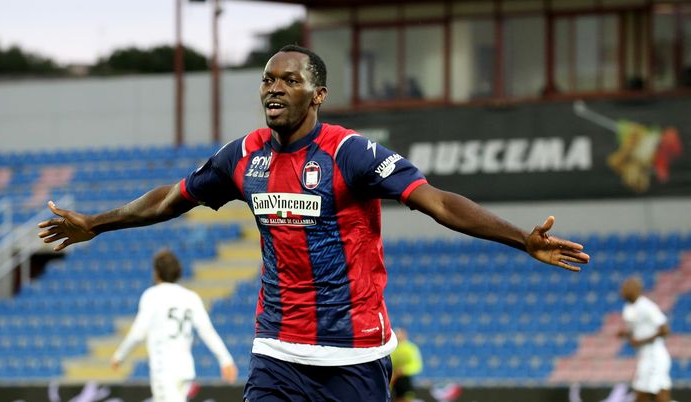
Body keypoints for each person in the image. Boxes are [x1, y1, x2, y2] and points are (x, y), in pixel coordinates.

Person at [38, 44, 590, 402]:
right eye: (267, 79)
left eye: (289, 80)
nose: (273, 88)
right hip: (276, 350)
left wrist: (521, 239)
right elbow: (169, 200)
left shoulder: (350, 153)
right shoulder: (242, 156)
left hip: (353, 357)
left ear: (317, 94)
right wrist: (97, 223)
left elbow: (437, 202)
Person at [111, 249, 238, 402]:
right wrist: (225, 360)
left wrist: (119, 355)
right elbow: (206, 331)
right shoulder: (191, 297)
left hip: (164, 369)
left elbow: (138, 333)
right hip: (185, 369)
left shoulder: (152, 295)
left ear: (156, 272)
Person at [617, 277, 672, 402]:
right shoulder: (628, 308)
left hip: (654, 355)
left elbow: (664, 330)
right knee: (644, 392)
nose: (622, 290)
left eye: (625, 287)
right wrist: (626, 334)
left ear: (635, 289)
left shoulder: (647, 306)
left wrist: (640, 341)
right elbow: (638, 331)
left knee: (654, 393)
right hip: (644, 356)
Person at [390, 328, 423, 402]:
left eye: (400, 333)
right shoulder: (392, 349)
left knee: (405, 398)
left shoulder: (411, 348)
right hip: (394, 380)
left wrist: (402, 370)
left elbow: (417, 365)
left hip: (405, 380)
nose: (398, 335)